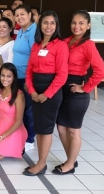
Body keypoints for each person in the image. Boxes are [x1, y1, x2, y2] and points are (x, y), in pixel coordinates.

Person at [54, 10, 104, 175]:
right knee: (61, 128)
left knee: (73, 130)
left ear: (88, 25)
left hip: (76, 92)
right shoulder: (66, 41)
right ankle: (71, 158)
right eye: (74, 23)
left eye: (81, 23)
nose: (76, 26)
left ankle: (70, 164)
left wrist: (85, 88)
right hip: (62, 89)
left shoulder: (88, 44)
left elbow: (102, 71)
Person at [24, 11, 68, 176]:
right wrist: (33, 90)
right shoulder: (36, 45)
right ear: (40, 25)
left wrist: (46, 94)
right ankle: (40, 161)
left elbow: (62, 75)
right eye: (45, 23)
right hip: (35, 91)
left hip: (51, 92)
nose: (48, 26)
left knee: (46, 129)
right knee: (38, 127)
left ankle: (41, 163)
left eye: (52, 23)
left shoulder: (61, 45)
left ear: (56, 26)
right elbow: (29, 71)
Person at [12, 5, 37, 151]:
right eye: (17, 15)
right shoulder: (21, 31)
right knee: (20, 109)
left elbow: (34, 56)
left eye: (22, 14)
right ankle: (22, 135)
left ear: (29, 14)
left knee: (29, 110)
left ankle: (29, 139)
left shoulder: (33, 30)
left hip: (27, 78)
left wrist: (29, 79)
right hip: (18, 77)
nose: (20, 17)